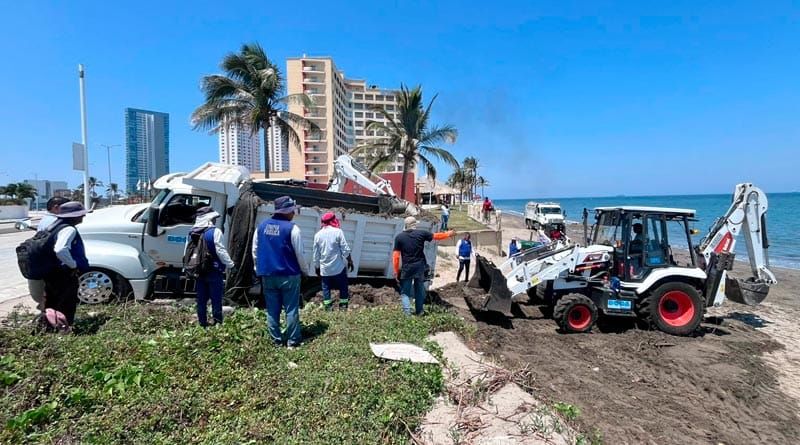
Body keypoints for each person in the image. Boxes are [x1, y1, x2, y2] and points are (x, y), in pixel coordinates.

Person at [253, 196, 308, 348]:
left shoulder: (261, 227)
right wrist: (305, 271)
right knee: (291, 309)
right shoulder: (293, 228)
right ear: (287, 211)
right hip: (289, 275)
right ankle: (293, 341)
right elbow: (300, 254)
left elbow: (255, 251)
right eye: (293, 211)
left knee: (272, 309)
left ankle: (276, 341)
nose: (294, 214)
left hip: (268, 275)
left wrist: (258, 269)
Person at [392, 217, 455, 315]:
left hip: (407, 268)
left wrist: (396, 271)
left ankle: (407, 314)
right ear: (414, 225)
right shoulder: (421, 233)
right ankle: (420, 312)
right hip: (420, 267)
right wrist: (448, 234)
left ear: (405, 225)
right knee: (419, 291)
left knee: (405, 293)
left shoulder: (399, 237)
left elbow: (396, 257)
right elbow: (436, 236)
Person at [44, 202, 90, 331]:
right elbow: (60, 249)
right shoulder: (68, 229)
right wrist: (73, 265)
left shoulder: (53, 227)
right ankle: (64, 329)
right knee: (66, 303)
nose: (83, 217)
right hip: (63, 274)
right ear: (73, 216)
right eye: (81, 214)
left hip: (51, 272)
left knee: (52, 303)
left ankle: (51, 327)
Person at [186, 206, 236, 327]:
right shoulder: (215, 232)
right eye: (213, 218)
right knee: (216, 298)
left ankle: (202, 322)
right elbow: (220, 250)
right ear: (209, 219)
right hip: (214, 270)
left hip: (199, 270)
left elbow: (187, 252)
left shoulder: (192, 232)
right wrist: (231, 265)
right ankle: (217, 322)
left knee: (201, 300)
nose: (215, 220)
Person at [27, 197, 70, 312]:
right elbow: (60, 249)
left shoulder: (46, 219)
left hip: (41, 263)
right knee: (53, 298)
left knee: (47, 297)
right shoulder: (55, 221)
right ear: (56, 207)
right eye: (67, 207)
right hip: (51, 264)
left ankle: (47, 316)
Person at [313, 212, 353, 311]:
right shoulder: (338, 232)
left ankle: (328, 310)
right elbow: (345, 249)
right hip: (338, 268)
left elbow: (316, 255)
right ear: (333, 220)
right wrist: (350, 261)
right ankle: (343, 308)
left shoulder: (317, 235)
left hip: (325, 269)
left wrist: (317, 268)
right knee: (343, 287)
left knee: (326, 290)